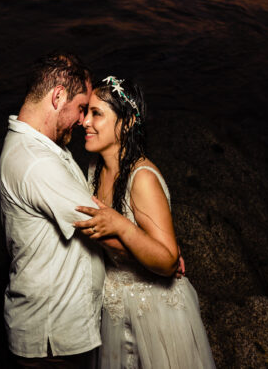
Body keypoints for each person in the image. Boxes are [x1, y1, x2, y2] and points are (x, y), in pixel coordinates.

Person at [73, 76, 215, 369]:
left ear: (126, 123)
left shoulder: (143, 179)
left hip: (155, 313)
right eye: (86, 111)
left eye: (96, 113)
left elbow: (166, 261)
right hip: (113, 308)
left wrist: (122, 226)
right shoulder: (93, 170)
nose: (84, 121)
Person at [0, 52, 106, 367]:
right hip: (53, 341)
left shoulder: (46, 146)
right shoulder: (36, 161)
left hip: (58, 335)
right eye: (82, 108)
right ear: (58, 97)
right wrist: (159, 253)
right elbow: (102, 227)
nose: (85, 120)